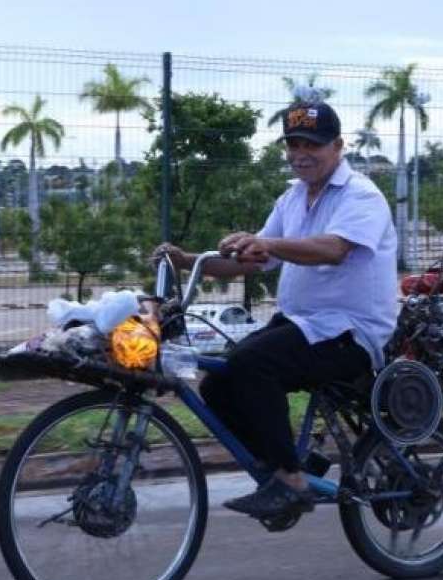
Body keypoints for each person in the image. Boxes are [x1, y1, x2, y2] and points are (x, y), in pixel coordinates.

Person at [155, 100, 397, 519]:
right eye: (294, 144)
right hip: (305, 326)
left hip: (351, 333)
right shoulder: (292, 198)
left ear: (338, 146)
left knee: (253, 365)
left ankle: (291, 482)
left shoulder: (361, 196)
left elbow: (334, 249)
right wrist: (185, 259)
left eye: (313, 144)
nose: (301, 153)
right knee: (217, 382)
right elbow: (249, 260)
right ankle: (283, 468)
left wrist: (267, 244)